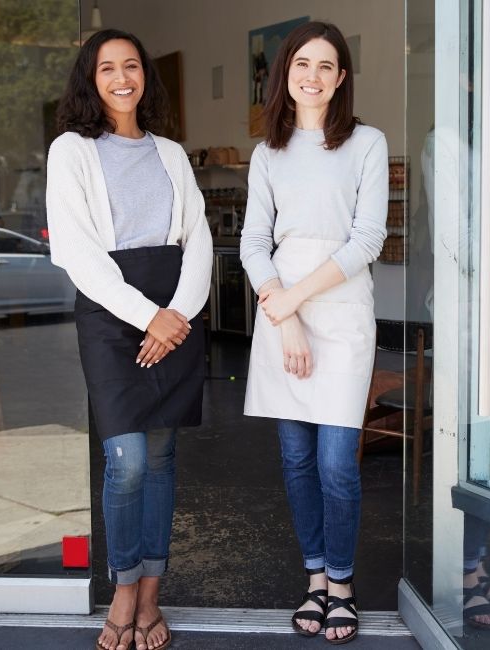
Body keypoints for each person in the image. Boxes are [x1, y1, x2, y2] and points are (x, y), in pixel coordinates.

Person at [46, 28, 212, 650]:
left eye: (132, 66)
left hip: (176, 309)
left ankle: (152, 592)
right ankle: (123, 584)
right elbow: (77, 251)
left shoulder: (170, 152)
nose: (122, 78)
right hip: (114, 313)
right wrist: (149, 317)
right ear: (91, 78)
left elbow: (196, 239)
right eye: (108, 67)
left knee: (164, 457)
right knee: (129, 461)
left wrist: (178, 314)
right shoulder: (71, 150)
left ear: (146, 76)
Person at [240, 21, 388, 645]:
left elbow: (368, 238)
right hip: (282, 316)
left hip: (342, 311)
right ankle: (315, 578)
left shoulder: (366, 143)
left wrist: (297, 300)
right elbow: (252, 242)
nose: (313, 75)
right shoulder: (267, 152)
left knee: (336, 463)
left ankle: (344, 583)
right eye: (303, 63)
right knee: (297, 458)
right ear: (285, 74)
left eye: (327, 65)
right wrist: (287, 314)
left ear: (342, 78)